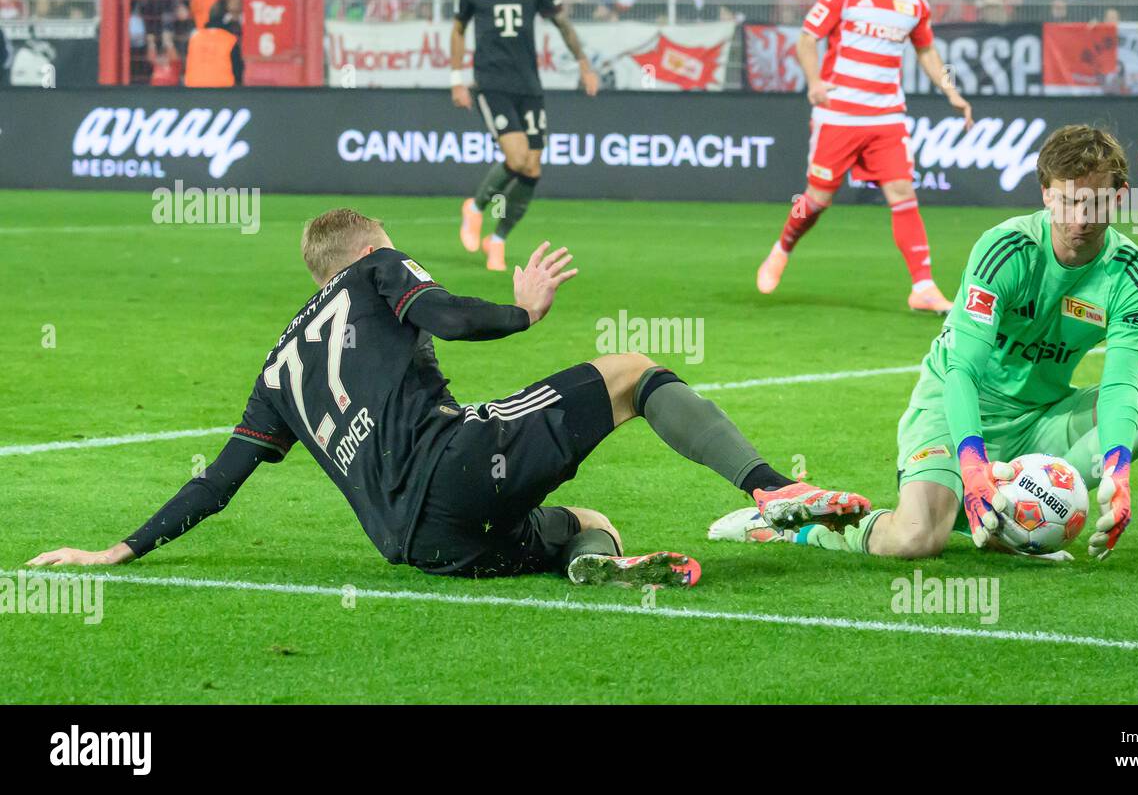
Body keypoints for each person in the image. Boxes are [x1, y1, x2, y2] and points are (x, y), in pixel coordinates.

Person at [29, 210, 871, 587]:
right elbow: (446, 317)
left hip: (423, 545)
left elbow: (218, 482)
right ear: (365, 247)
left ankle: (592, 561)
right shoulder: (375, 267)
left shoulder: (276, 369)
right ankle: (772, 489)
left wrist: (117, 549)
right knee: (633, 372)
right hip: (456, 465)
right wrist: (523, 311)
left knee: (585, 520)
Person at [714, 125, 1138, 563]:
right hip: (953, 410)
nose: (1080, 219)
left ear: (1120, 197)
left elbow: (1119, 386)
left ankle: (1026, 511)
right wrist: (972, 462)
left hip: (1040, 419)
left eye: (1094, 203)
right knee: (917, 539)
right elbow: (962, 369)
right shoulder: (1005, 250)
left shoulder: (1134, 276)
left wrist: (1117, 468)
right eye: (1067, 202)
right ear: (1046, 195)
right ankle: (799, 528)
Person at [755, 0, 975, 316]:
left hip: (887, 116)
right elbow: (807, 38)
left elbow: (927, 50)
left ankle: (923, 287)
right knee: (815, 200)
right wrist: (814, 82)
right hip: (838, 115)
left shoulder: (914, 1)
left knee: (903, 192)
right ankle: (782, 247)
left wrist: (951, 91)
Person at [451, 0, 600, 271]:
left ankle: (497, 240)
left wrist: (584, 64)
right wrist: (457, 80)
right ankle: (475, 207)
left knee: (532, 168)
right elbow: (458, 30)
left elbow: (562, 22)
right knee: (517, 158)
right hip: (492, 83)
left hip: (529, 86)